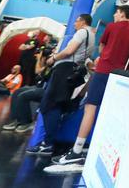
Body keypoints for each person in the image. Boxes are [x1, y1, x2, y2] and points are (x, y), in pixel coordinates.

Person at [46, 5, 129, 169]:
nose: (114, 14)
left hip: (103, 72)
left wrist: (106, 55)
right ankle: (106, 150)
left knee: (90, 110)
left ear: (122, 14)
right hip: (120, 76)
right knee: (112, 112)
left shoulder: (112, 27)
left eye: (116, 12)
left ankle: (76, 152)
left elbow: (102, 48)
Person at [28, 14, 94, 155]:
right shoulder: (92, 35)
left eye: (76, 21)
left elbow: (70, 50)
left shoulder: (82, 32)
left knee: (49, 106)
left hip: (64, 71)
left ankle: (48, 144)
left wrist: (53, 58)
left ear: (82, 22)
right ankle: (48, 142)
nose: (74, 24)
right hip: (71, 71)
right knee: (56, 106)